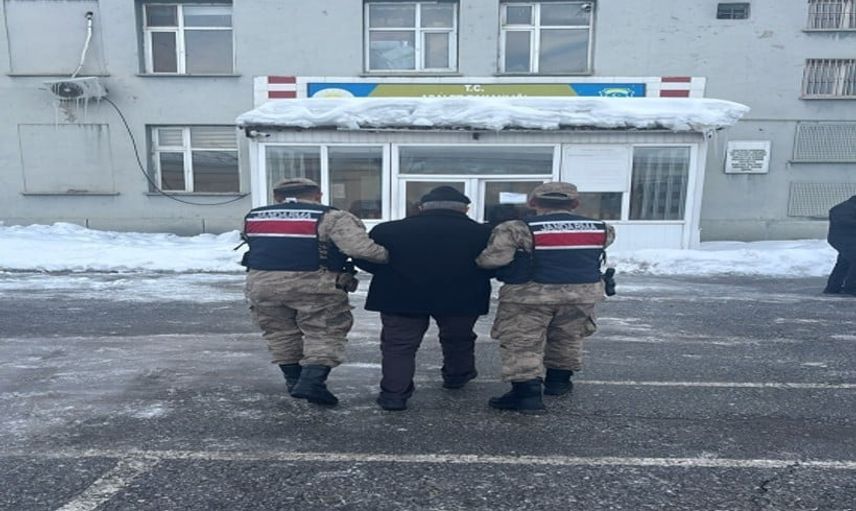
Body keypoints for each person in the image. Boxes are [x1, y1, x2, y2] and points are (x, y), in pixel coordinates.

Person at [242, 178, 388, 406]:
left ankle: (294, 381)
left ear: (276, 197)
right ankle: (311, 383)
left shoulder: (255, 216)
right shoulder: (332, 217)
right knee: (324, 331)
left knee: (280, 332)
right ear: (318, 195)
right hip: (315, 285)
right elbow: (360, 249)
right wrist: (390, 255)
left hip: (262, 284)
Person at [476, 181, 615, 414]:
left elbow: (493, 260)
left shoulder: (516, 228)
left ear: (533, 202)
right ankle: (559, 382)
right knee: (568, 337)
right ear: (575, 203)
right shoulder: (602, 228)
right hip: (581, 295)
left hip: (529, 295)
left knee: (522, 342)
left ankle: (526, 395)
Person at [356, 186, 493, 411]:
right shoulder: (484, 233)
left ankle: (394, 395)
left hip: (400, 296)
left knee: (399, 346)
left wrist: (389, 273)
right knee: (458, 338)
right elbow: (494, 263)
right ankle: (457, 375)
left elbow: (365, 259)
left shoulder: (388, 230)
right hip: (462, 296)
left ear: (421, 207)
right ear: (466, 209)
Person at [823, 195, 856, 296]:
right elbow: (847, 222)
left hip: (841, 239)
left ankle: (833, 287)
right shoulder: (845, 209)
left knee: (844, 262)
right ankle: (851, 288)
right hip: (844, 239)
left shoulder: (843, 207)